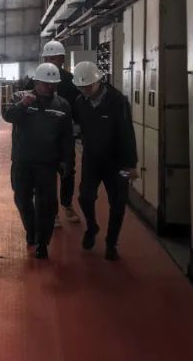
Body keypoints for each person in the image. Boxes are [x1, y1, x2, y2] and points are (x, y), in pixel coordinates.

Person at [3, 63, 74, 259]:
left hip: (47, 163)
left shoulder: (62, 105)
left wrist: (67, 161)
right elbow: (8, 116)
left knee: (47, 204)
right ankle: (31, 230)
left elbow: (67, 137)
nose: (50, 87)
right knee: (22, 198)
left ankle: (43, 242)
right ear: (36, 82)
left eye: (54, 84)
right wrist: (23, 104)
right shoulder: (20, 97)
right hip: (22, 161)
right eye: (46, 83)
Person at [71, 61, 138, 261]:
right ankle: (92, 227)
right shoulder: (80, 102)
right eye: (81, 87)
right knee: (85, 197)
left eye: (88, 86)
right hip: (92, 159)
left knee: (118, 202)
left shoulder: (118, 101)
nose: (85, 90)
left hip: (118, 163)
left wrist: (131, 165)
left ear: (98, 81)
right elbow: (79, 126)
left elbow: (128, 134)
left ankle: (111, 243)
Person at [38, 40, 82, 226]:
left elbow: (78, 107)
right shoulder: (38, 78)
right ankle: (52, 211)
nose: (50, 61)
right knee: (46, 173)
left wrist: (78, 128)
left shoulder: (70, 81)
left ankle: (67, 204)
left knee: (67, 171)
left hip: (65, 135)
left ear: (62, 59)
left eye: (54, 58)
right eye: (47, 58)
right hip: (44, 136)